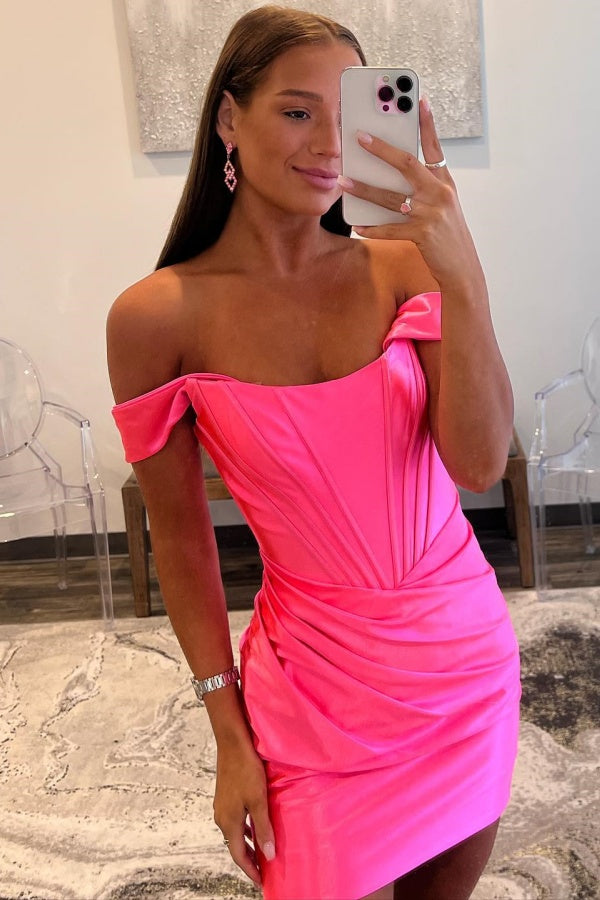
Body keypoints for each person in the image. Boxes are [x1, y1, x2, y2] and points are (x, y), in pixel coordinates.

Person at [107, 7, 521, 899]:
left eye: (349, 114)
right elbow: (181, 542)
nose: (330, 145)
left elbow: (479, 464)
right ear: (229, 118)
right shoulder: (156, 318)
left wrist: (463, 269)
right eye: (298, 112)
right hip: (314, 691)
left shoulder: (404, 271)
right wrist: (229, 735)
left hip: (461, 668)